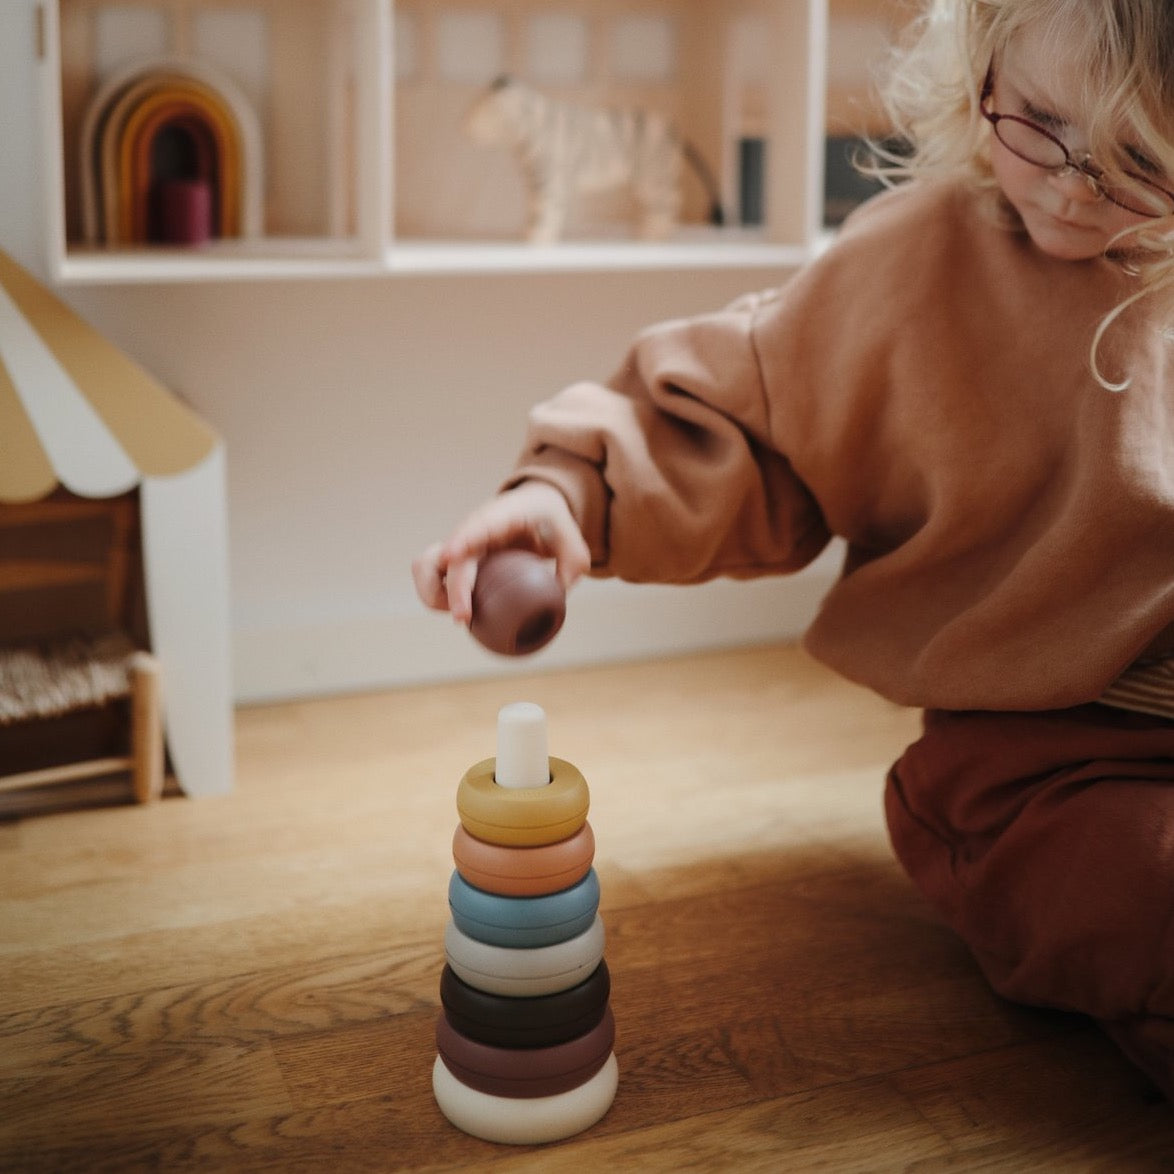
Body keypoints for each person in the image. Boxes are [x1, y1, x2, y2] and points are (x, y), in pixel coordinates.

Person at [414, 0, 1174, 1099]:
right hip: (1042, 764)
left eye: (1137, 158)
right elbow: (744, 420)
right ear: (985, 69)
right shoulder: (916, 262)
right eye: (1039, 123)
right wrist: (568, 494)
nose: (1068, 184)